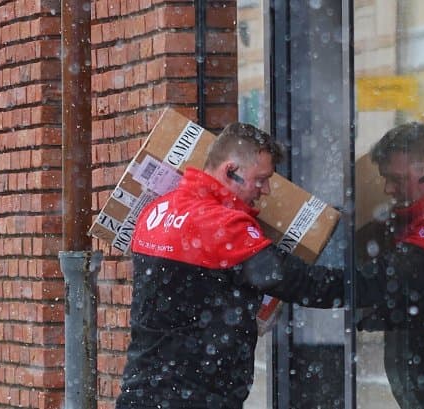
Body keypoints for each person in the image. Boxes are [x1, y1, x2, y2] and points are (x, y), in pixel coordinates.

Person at [116, 122, 345, 409]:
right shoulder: (224, 225)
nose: (266, 190)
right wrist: (371, 285)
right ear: (229, 171)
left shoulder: (155, 211)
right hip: (196, 398)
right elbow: (301, 283)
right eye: (260, 179)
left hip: (140, 391)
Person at [355, 122, 424, 409]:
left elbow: (391, 284)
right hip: (416, 379)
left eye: (396, 179)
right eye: (386, 178)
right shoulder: (400, 222)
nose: (388, 188)